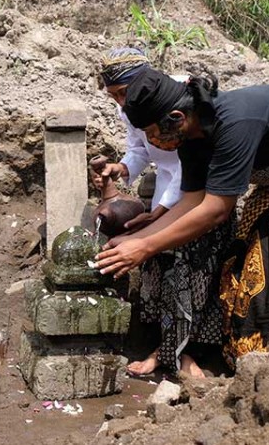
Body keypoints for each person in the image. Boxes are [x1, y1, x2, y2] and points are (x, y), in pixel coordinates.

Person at [94, 67, 269, 367]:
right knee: (248, 271)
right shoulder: (192, 140)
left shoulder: (235, 123)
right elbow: (191, 202)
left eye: (152, 133)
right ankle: (244, 359)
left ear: (177, 118)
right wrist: (134, 239)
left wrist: (145, 248)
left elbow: (215, 211)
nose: (151, 142)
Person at [92, 48, 234, 377]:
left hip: (198, 194)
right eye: (113, 96)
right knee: (160, 270)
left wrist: (159, 215)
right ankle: (163, 348)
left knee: (193, 272)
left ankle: (189, 355)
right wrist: (122, 167)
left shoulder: (180, 99)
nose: (120, 102)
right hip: (166, 193)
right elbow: (139, 149)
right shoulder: (132, 110)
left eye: (123, 93)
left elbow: (193, 166)